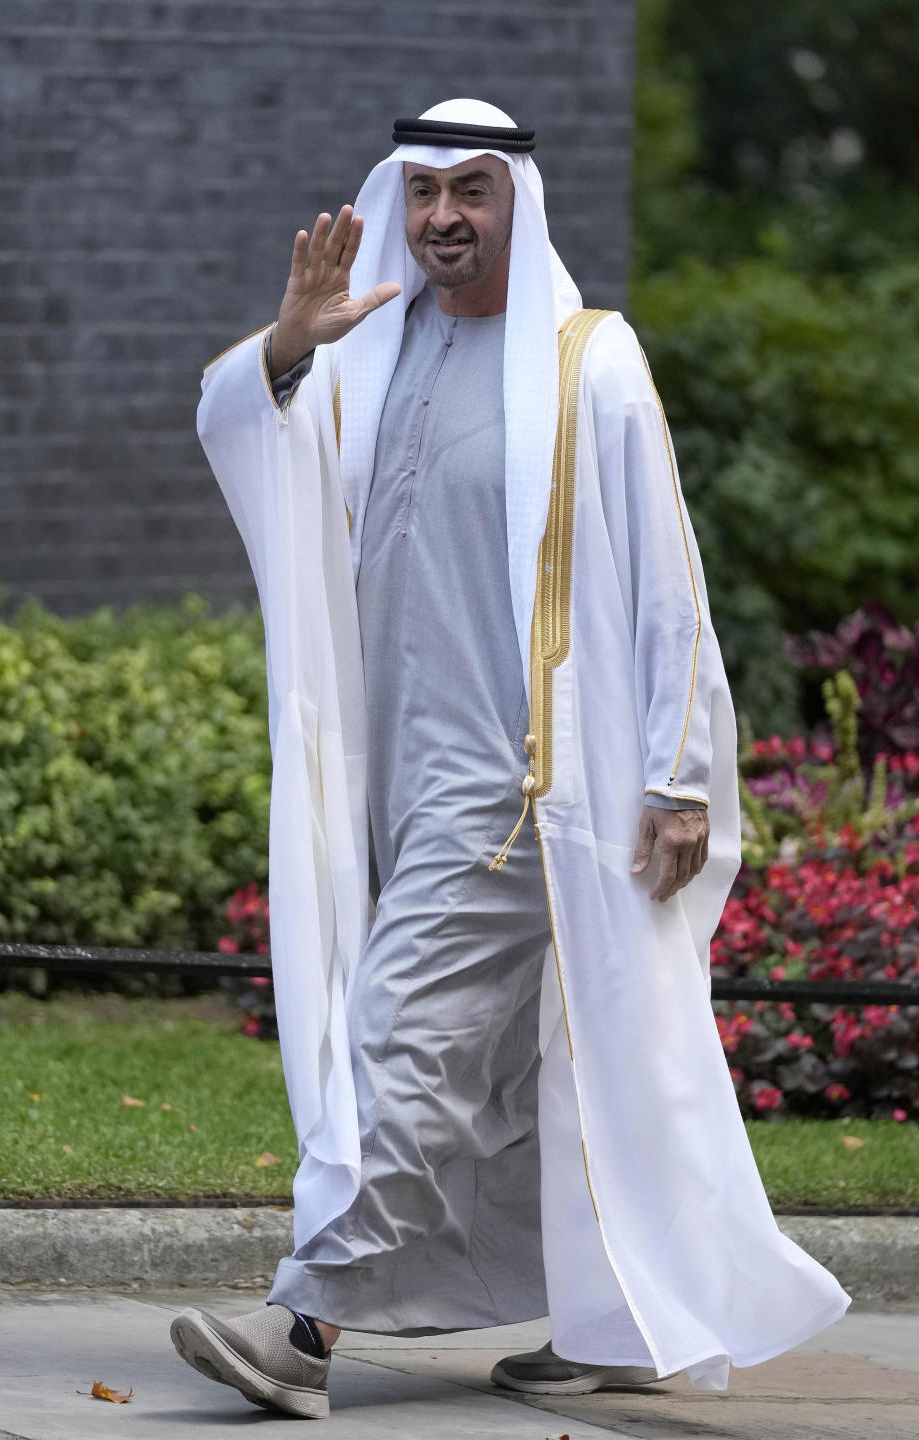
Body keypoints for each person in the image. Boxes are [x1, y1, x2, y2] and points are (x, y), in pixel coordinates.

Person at [169, 99, 851, 1421]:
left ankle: (301, 1330)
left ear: (516, 203)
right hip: (390, 781)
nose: (442, 219)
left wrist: (680, 776)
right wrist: (287, 348)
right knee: (530, 1074)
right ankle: (618, 1315)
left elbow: (666, 580)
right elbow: (238, 427)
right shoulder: (375, 352)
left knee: (403, 1042)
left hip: (522, 790)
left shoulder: (587, 364)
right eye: (423, 192)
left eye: (470, 192)